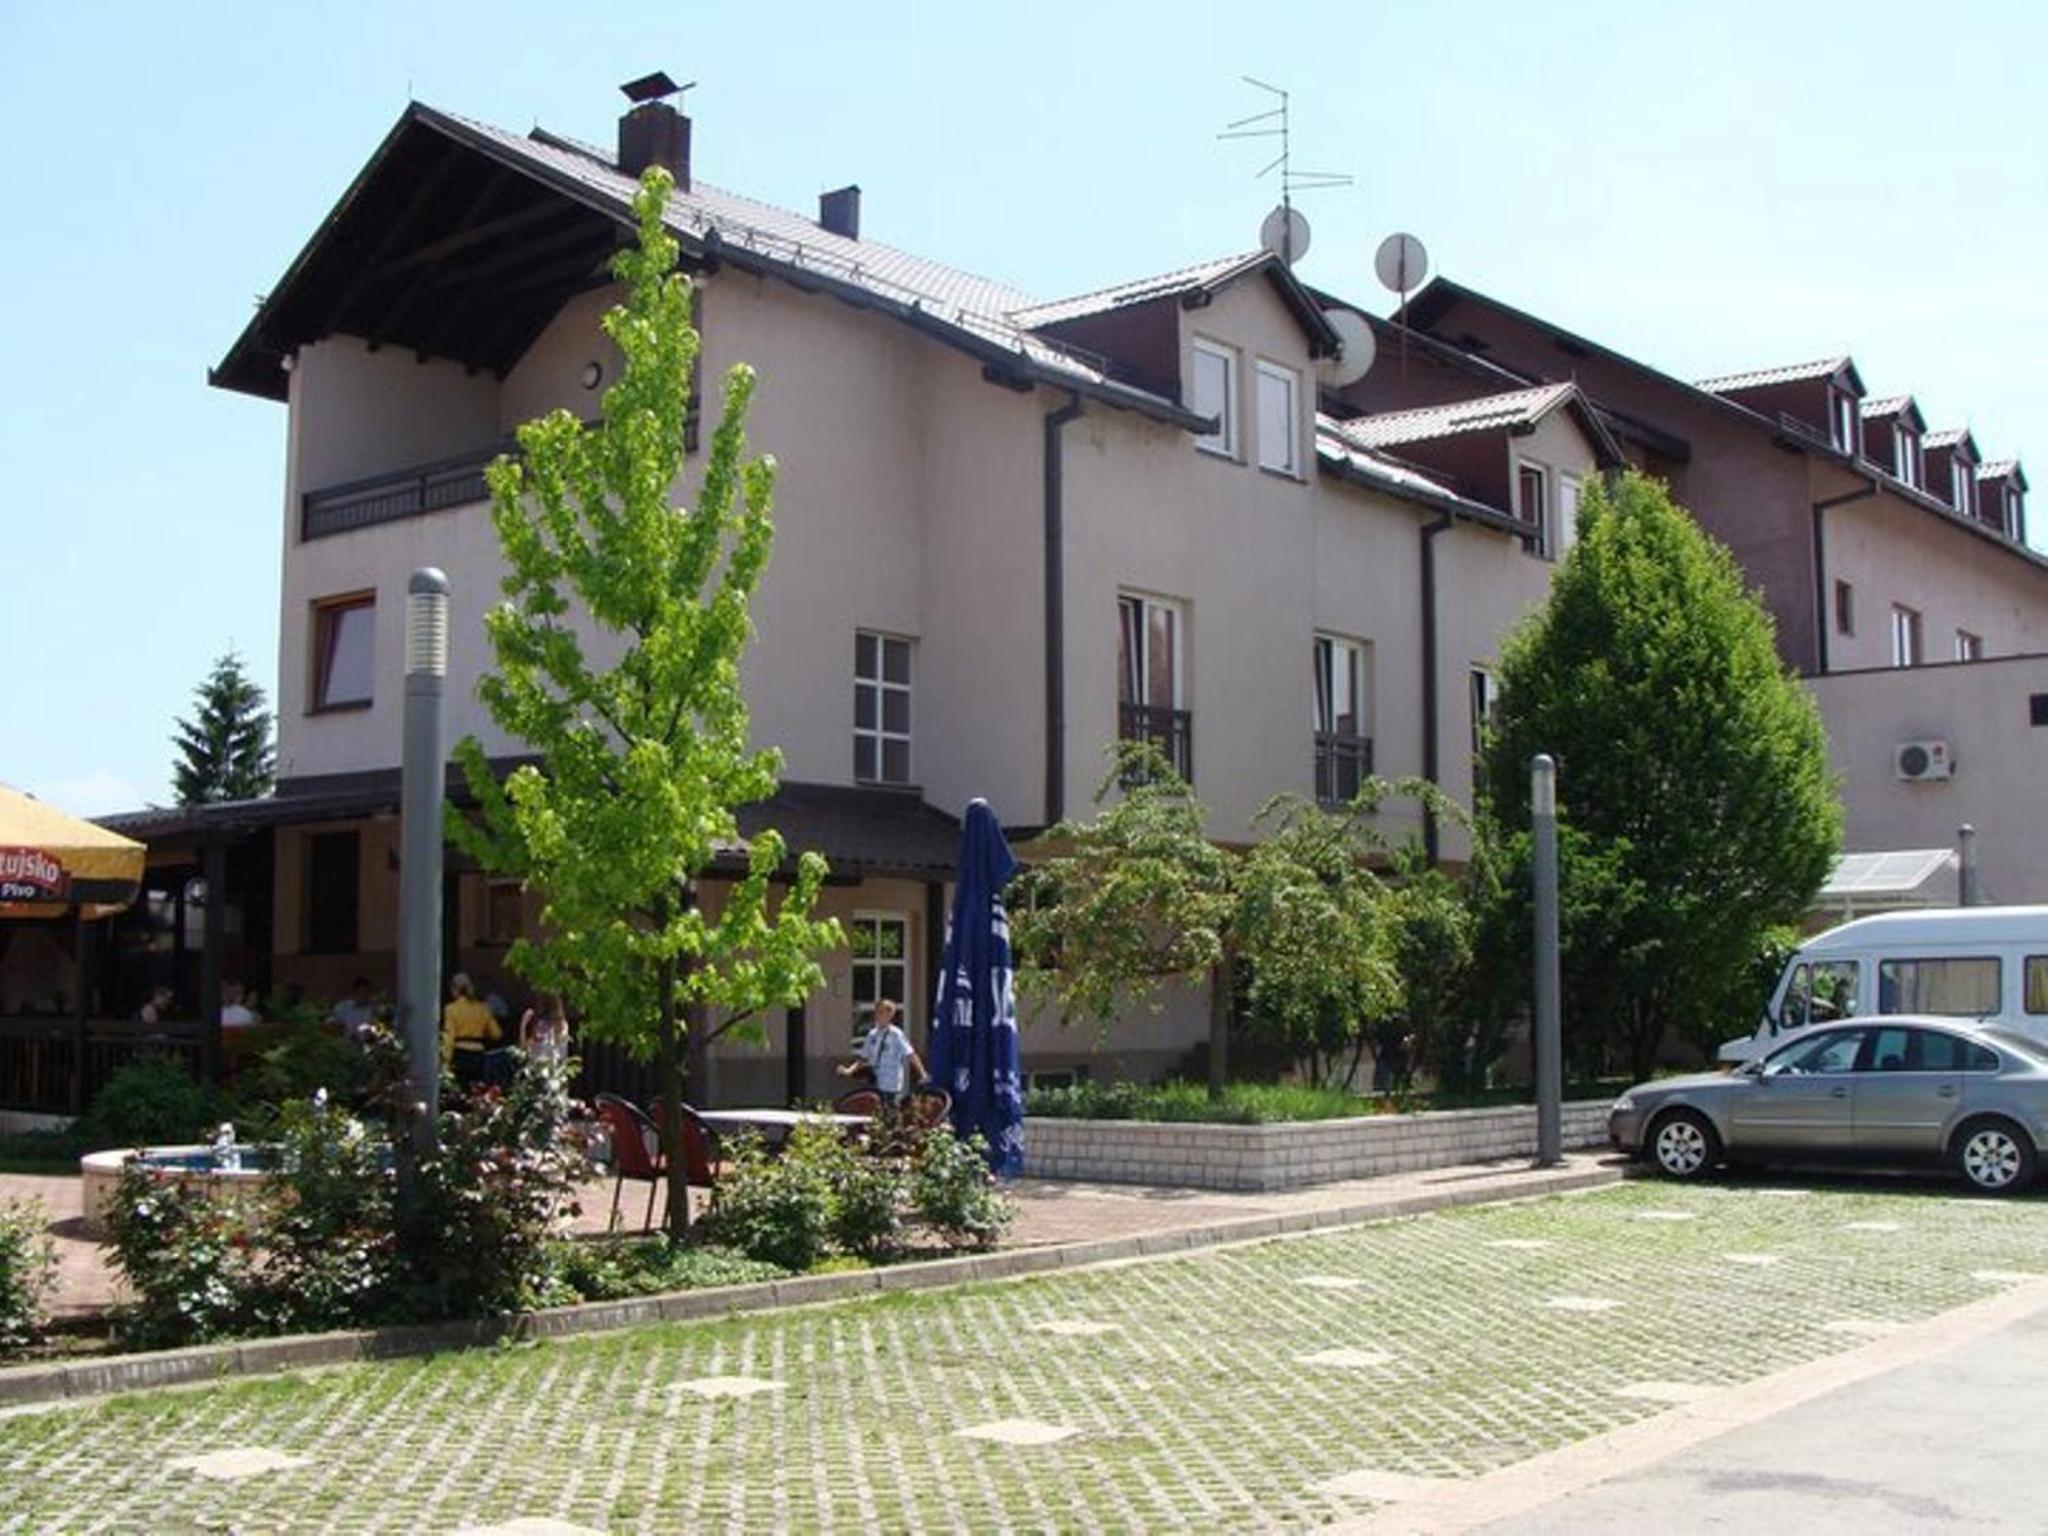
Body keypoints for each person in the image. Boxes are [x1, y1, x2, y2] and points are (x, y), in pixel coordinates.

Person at [837, 998, 926, 1107]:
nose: (877, 1015)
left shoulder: (896, 1034)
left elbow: (910, 1054)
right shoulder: (872, 1034)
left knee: (889, 1109)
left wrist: (922, 1073)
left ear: (890, 1015)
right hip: (876, 1081)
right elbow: (863, 1058)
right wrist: (849, 1070)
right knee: (873, 1108)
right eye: (877, 1012)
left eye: (881, 1012)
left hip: (891, 1083)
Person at [441, 972, 502, 1082]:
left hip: (460, 1054)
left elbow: (449, 1037)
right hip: (478, 1055)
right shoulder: (483, 1008)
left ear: (455, 990)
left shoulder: (451, 1009)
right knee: (476, 1089)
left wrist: (446, 1061)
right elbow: (496, 1034)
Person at [519, 990, 570, 1066]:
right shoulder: (541, 1024)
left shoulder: (561, 1024)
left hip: (551, 1067)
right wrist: (524, 1023)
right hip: (536, 1065)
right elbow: (524, 1047)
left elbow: (558, 1051)